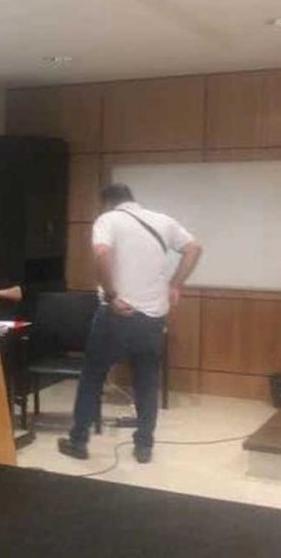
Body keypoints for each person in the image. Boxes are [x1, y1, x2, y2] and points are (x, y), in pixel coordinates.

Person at [58, 183, 202, 463]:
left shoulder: (108, 220)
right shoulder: (162, 220)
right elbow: (194, 248)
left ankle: (78, 442)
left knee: (92, 377)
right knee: (147, 381)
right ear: (131, 199)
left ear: (106, 203)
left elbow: (101, 253)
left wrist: (112, 295)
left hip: (116, 315)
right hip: (152, 318)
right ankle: (144, 446)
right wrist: (175, 284)